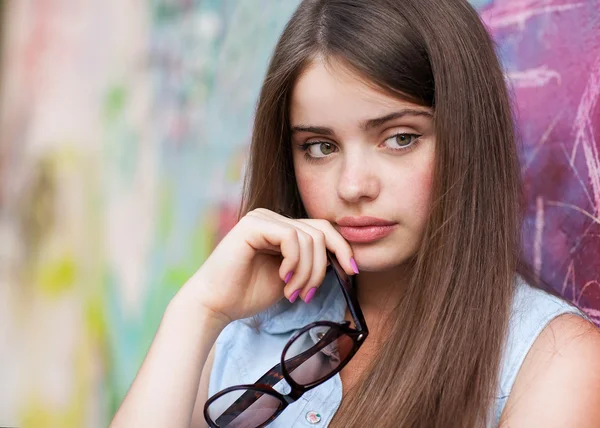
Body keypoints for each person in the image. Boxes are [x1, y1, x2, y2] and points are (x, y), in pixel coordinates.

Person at [110, 0, 600, 427]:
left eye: (400, 138)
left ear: (467, 138)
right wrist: (199, 309)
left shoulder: (550, 362)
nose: (353, 186)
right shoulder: (252, 334)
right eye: (320, 146)